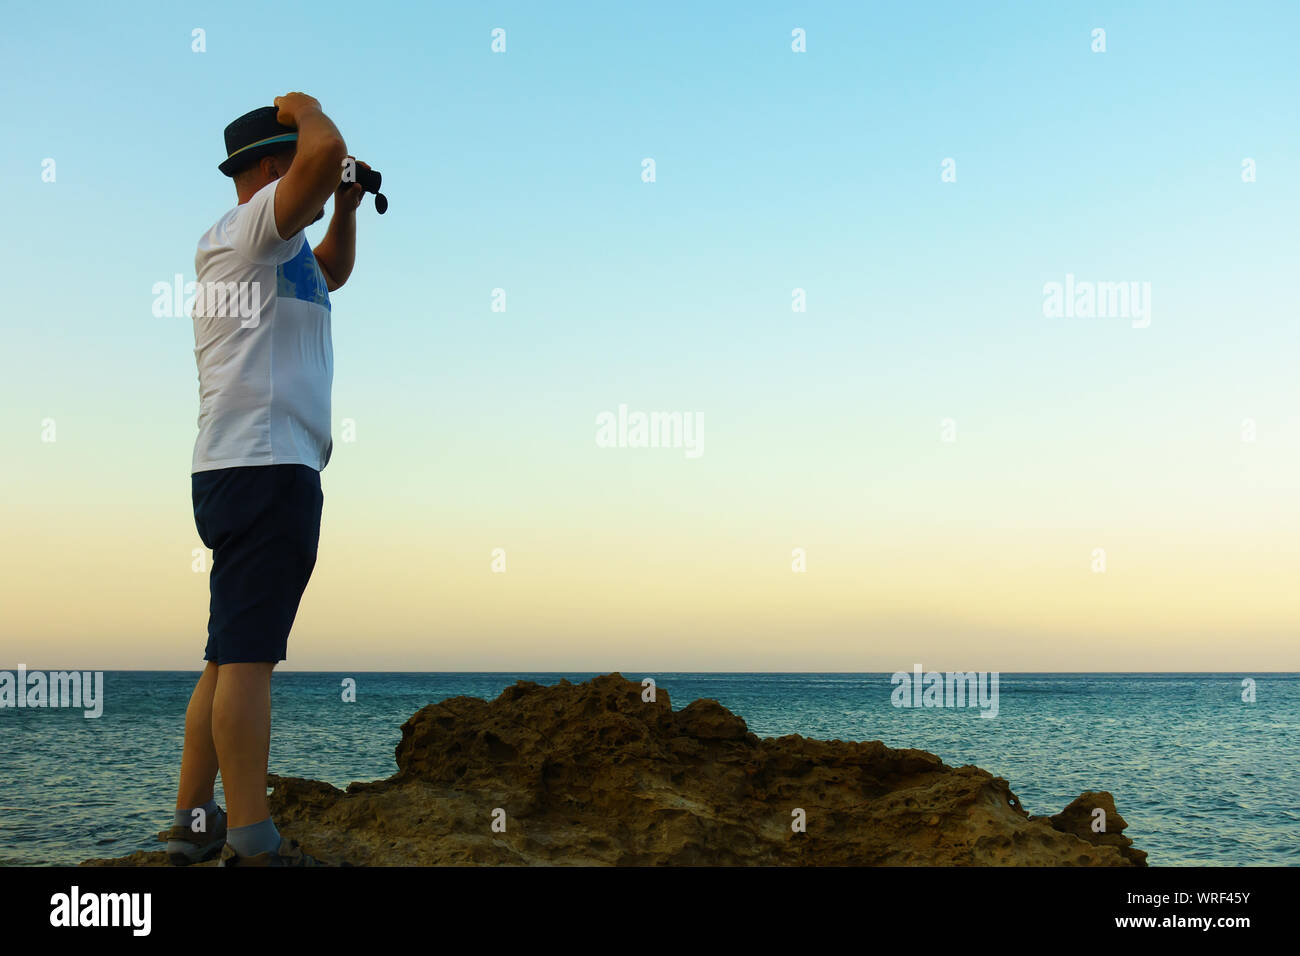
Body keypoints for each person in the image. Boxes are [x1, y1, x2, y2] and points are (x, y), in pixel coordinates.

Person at [165, 93, 364, 866]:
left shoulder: (283, 256)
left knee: (226, 655)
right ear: (272, 167)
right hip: (262, 465)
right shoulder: (246, 234)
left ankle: (191, 824)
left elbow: (333, 273)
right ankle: (254, 840)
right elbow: (317, 154)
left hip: (251, 465)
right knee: (249, 659)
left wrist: (344, 206)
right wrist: (309, 109)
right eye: (297, 160)